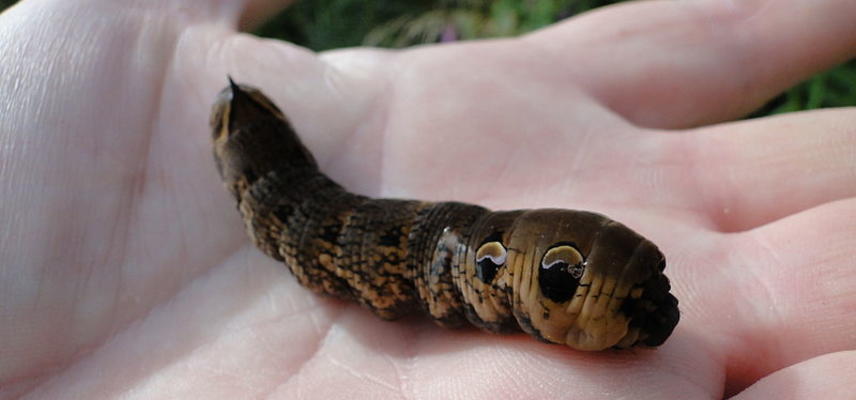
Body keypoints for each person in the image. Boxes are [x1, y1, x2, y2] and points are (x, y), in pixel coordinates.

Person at [1, 0, 854, 398]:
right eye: (576, 288)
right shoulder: (337, 232)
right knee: (300, 194)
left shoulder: (484, 273)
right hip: (302, 194)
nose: (654, 314)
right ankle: (245, 119)